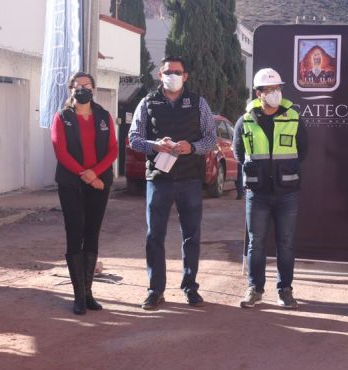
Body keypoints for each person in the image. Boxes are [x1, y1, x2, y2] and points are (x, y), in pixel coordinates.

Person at [128, 56, 217, 310]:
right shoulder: (147, 102)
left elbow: (211, 138)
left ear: (186, 76)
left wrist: (193, 147)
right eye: (168, 72)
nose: (173, 76)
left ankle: (190, 287)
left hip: (190, 178)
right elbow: (134, 138)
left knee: (191, 235)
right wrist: (154, 145)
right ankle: (155, 290)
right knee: (154, 235)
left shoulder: (198, 103)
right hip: (159, 179)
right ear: (160, 74)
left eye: (178, 72)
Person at [235, 68, 308, 310]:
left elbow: (303, 151)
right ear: (259, 93)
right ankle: (255, 289)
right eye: (270, 90)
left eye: (278, 88)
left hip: (287, 192)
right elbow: (238, 152)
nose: (275, 93)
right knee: (256, 243)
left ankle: (285, 290)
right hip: (258, 193)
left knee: (286, 242)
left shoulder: (294, 118)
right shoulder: (244, 121)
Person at [51, 71, 118, 315]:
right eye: (77, 85)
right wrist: (86, 174)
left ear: (93, 88)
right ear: (71, 89)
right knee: (74, 232)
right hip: (72, 183)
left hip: (99, 184)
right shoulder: (62, 116)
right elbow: (61, 151)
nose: (82, 89)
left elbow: (113, 149)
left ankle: (89, 293)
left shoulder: (103, 115)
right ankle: (78, 295)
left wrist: (97, 174)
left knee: (92, 233)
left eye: (86, 85)